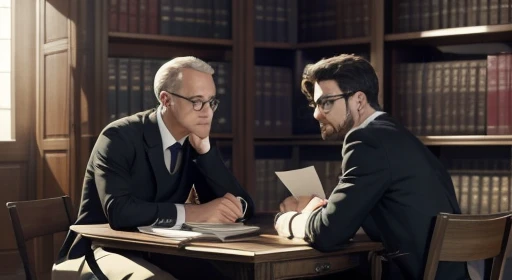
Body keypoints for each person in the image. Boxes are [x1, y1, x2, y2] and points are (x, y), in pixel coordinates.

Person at [53, 56, 254, 279]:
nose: (207, 112)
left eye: (211, 102)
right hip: (100, 249)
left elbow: (243, 207)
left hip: (160, 249)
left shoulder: (194, 139)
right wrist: (196, 212)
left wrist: (206, 153)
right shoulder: (118, 137)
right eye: (197, 101)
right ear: (166, 100)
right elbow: (120, 212)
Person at [274, 54, 469, 280]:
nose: (317, 113)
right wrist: (324, 212)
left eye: (326, 102)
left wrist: (288, 221)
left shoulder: (366, 141)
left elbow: (328, 235)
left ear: (359, 100)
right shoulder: (394, 134)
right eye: (315, 104)